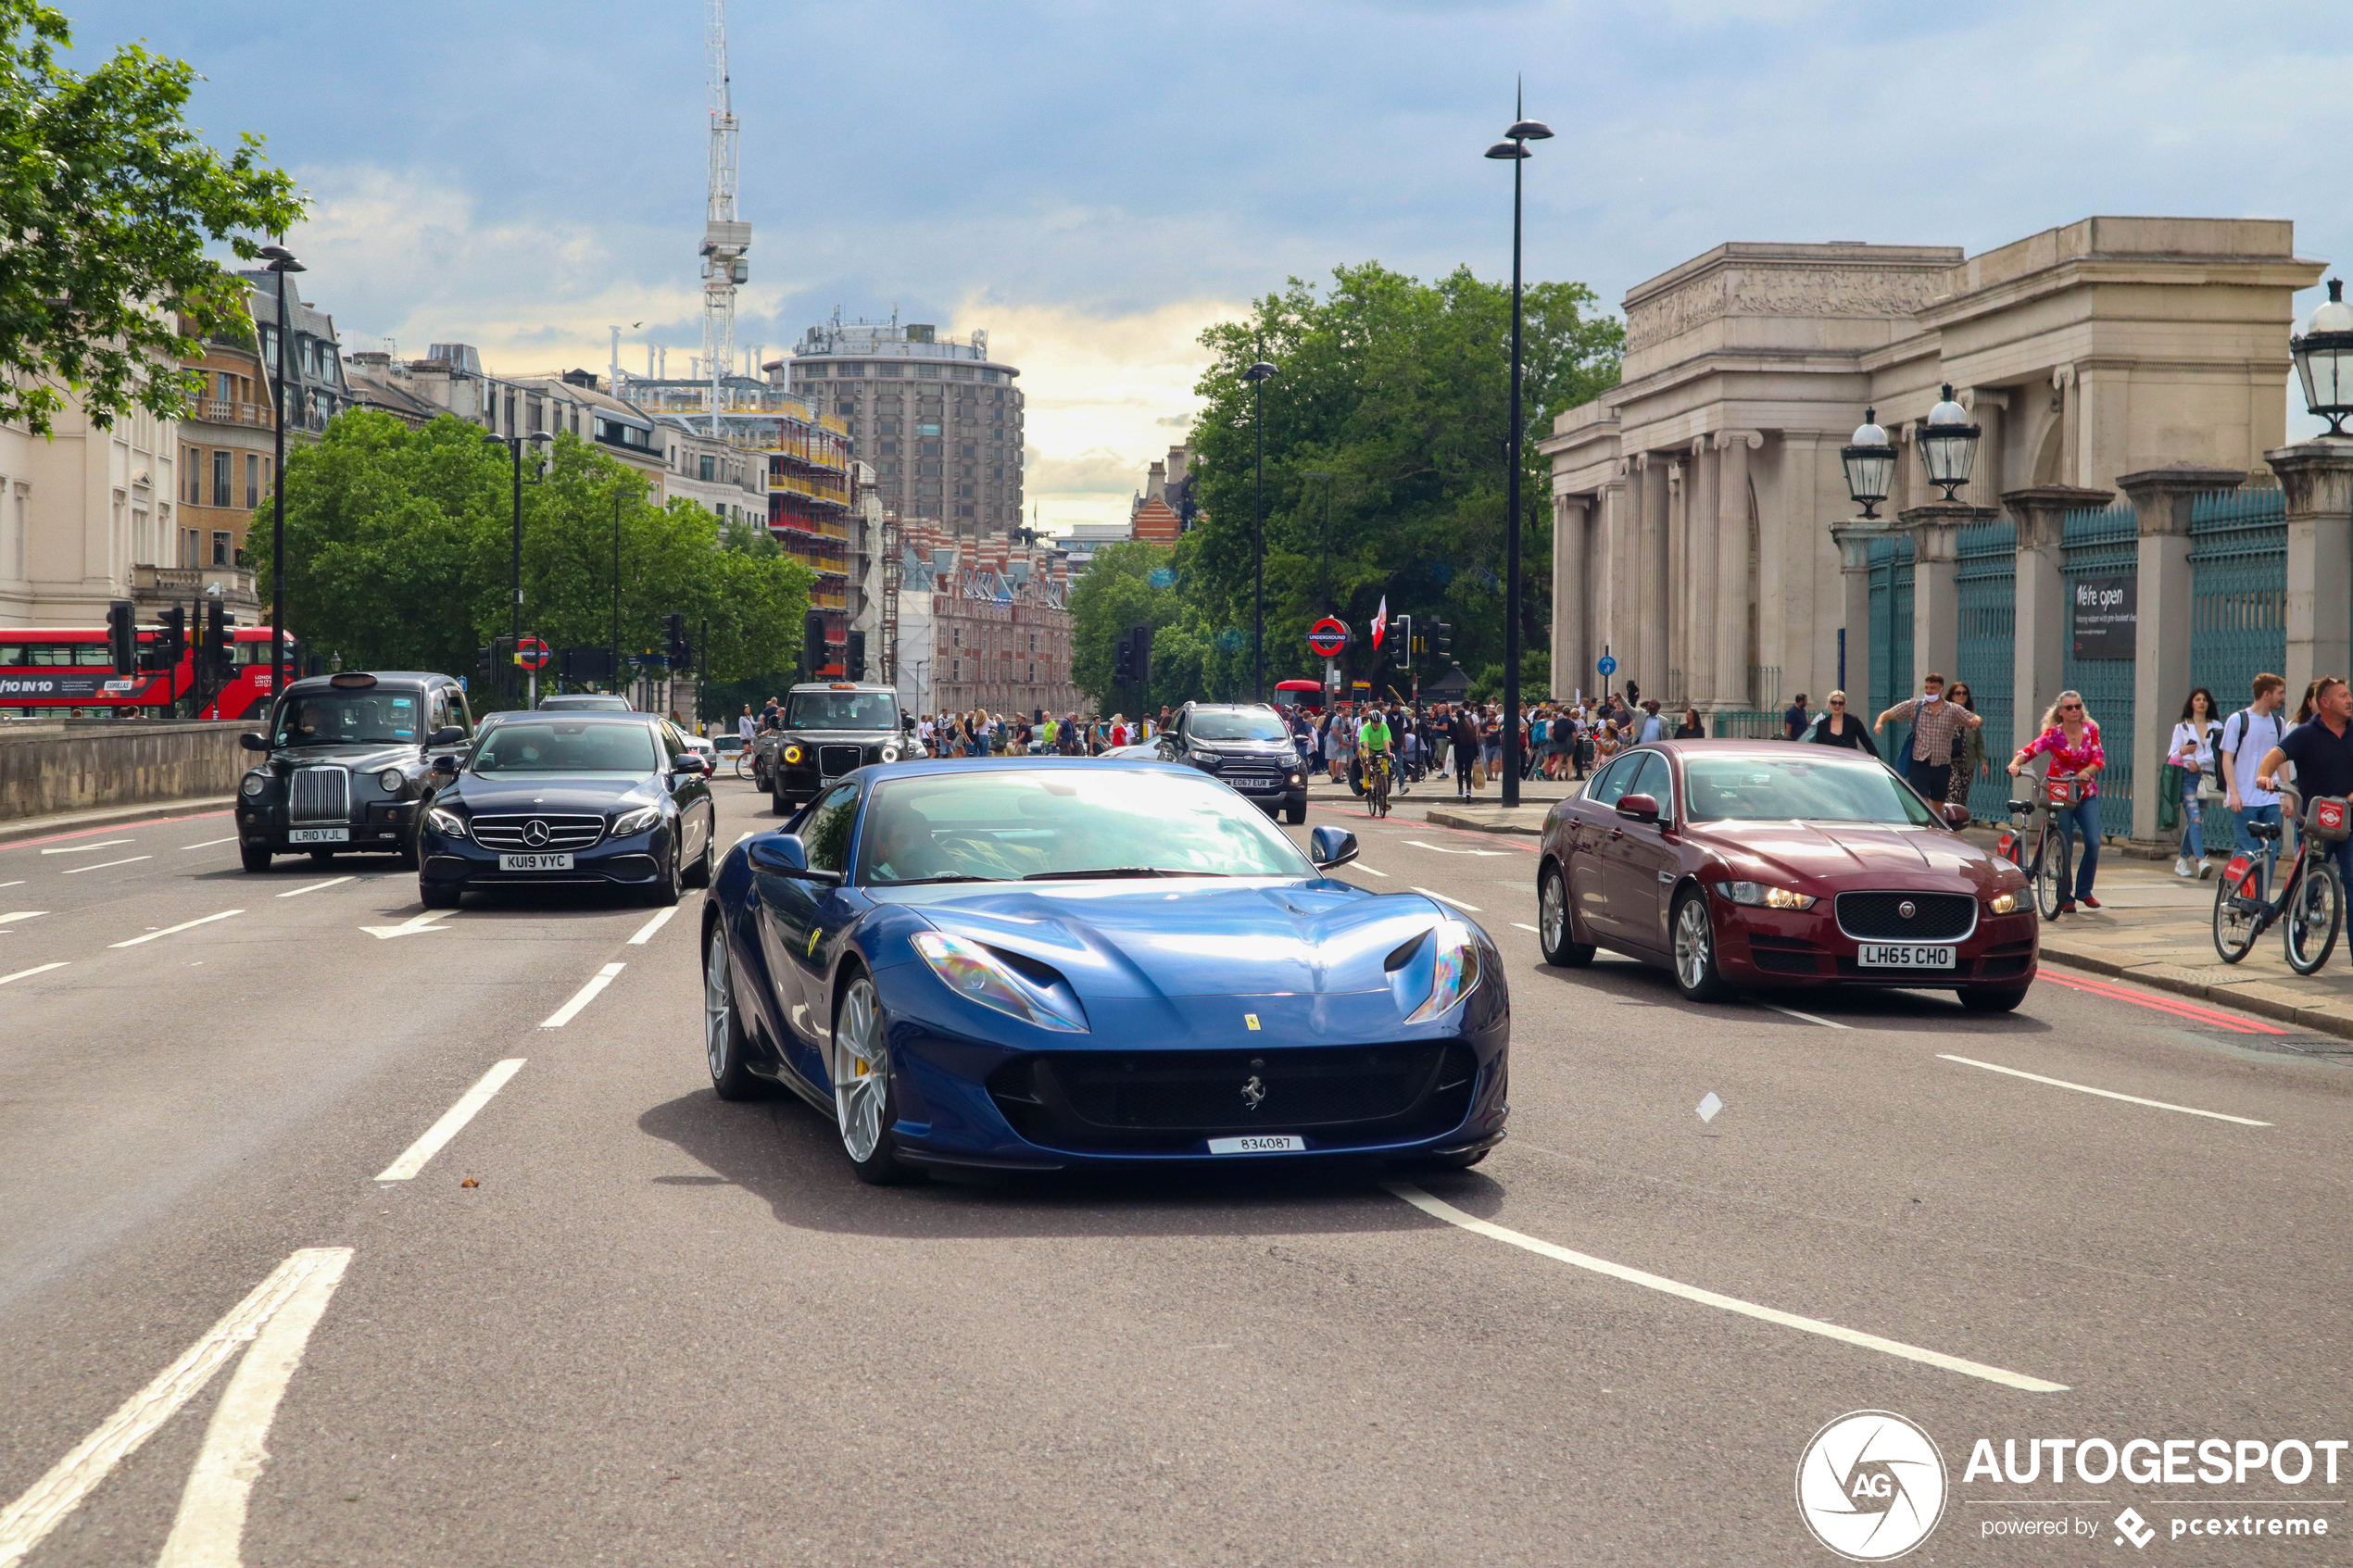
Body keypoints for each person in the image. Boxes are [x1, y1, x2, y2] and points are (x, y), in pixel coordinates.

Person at [2256, 674, 2353, 899]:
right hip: (2315, 823)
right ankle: (2296, 931)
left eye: (2349, 695)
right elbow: (2275, 755)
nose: (2349, 700)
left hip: (2349, 822)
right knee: (2307, 885)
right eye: (2343, 696)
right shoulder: (2306, 733)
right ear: (2325, 703)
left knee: (2351, 880)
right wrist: (2264, 776)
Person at [2009, 689, 2105, 913]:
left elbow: (2098, 758)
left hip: (2085, 791)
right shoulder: (2054, 734)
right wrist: (2016, 763)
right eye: (2069, 708)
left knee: (2094, 841)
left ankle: (2084, 890)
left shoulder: (2091, 730)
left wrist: (2086, 772)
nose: (2074, 711)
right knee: (2065, 844)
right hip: (2060, 792)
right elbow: (2031, 750)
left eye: (2078, 706)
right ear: (2060, 712)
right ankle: (2066, 894)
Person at [2221, 672, 2288, 892]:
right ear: (2266, 694)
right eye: (2280, 693)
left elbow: (2282, 761)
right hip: (2245, 800)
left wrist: (2286, 795)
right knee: (2248, 851)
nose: (2283, 697)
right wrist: (2234, 793)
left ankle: (2260, 900)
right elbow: (2227, 759)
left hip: (2269, 799)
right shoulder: (2238, 720)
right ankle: (2239, 891)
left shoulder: (2278, 723)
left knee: (2269, 853)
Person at [1875, 671, 1983, 803]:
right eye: (1927, 687)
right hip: (1920, 762)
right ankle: (1924, 823)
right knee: (1921, 800)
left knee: (1939, 802)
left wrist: (1977, 720)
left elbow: (1973, 718)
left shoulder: (1952, 709)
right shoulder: (1915, 706)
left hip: (1942, 763)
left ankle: (1937, 823)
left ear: (1941, 690)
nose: (1929, 691)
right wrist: (1880, 723)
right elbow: (1890, 713)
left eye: (1933, 688)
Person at [2167, 686, 2221, 879]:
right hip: (2188, 778)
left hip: (2207, 777)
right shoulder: (2182, 727)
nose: (2201, 703)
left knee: (2194, 821)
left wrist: (2199, 761)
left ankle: (2182, 861)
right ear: (2192, 703)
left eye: (2204, 700)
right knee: (2195, 817)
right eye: (2198, 699)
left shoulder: (2217, 726)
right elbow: (2171, 757)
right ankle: (2201, 860)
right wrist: (2183, 752)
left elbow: (2219, 753)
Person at [1945, 682, 1986, 808]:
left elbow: (1979, 742)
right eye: (1958, 693)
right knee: (1954, 792)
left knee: (1962, 795)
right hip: (1950, 761)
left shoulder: (1972, 717)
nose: (1961, 696)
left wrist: (1983, 761)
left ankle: (1956, 825)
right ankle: (1947, 821)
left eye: (1964, 693)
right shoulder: (1946, 714)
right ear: (1952, 696)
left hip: (1967, 762)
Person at [1806, 692, 1878, 755]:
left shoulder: (1854, 721)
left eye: (1841, 703)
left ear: (1845, 705)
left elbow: (1867, 743)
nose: (1837, 706)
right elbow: (1820, 749)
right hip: (1829, 764)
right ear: (1829, 704)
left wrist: (1879, 762)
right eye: (1833, 702)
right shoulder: (1822, 724)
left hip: (1850, 763)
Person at [1449, 705, 1479, 799]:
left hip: (1459, 751)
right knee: (1468, 771)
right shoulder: (1469, 727)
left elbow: (1453, 740)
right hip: (1470, 751)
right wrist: (1477, 754)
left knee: (1459, 770)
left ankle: (1460, 789)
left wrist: (1450, 740)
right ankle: (1469, 790)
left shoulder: (1456, 726)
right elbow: (1474, 741)